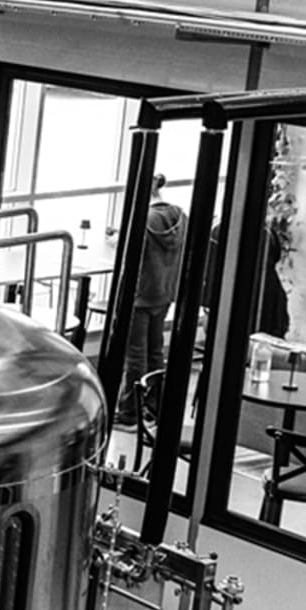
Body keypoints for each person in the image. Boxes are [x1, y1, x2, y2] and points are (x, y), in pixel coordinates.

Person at [118, 173, 186, 427]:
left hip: (141, 294)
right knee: (156, 350)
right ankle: (153, 406)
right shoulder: (180, 216)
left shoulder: (143, 221)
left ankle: (128, 413)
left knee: (135, 354)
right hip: (165, 291)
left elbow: (131, 259)